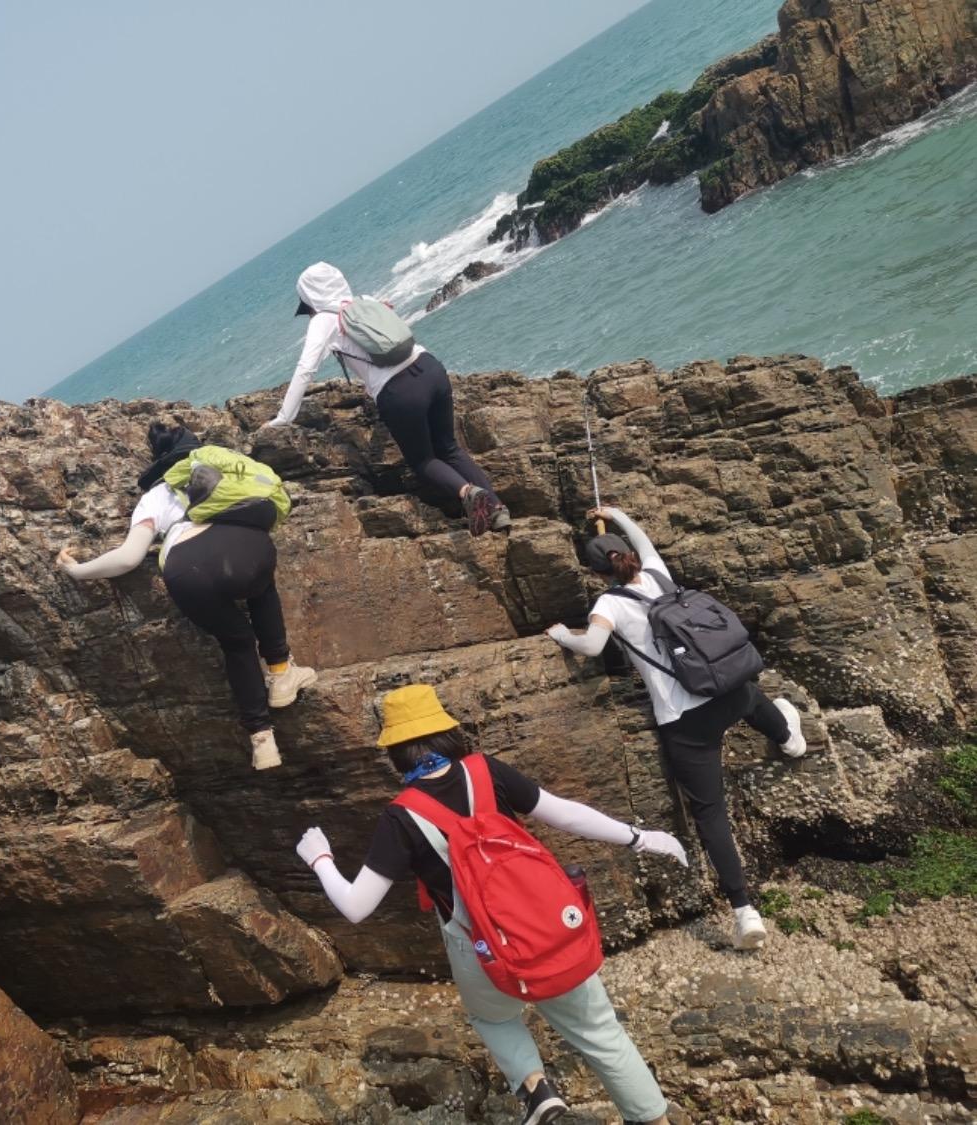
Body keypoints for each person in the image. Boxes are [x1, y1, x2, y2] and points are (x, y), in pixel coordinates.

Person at [297, 684, 684, 1125]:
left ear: (395, 753)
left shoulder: (401, 816)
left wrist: (320, 860)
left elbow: (356, 906)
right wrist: (638, 837)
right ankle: (653, 1119)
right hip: (545, 928)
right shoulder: (487, 771)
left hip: (477, 946)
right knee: (600, 1033)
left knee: (495, 1020)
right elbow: (566, 814)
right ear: (447, 731)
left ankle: (538, 1091)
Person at [546, 505, 807, 950]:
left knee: (710, 814)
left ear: (595, 572)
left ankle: (744, 912)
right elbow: (643, 539)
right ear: (627, 554)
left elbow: (591, 646)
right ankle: (788, 738)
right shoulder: (658, 574)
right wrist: (615, 513)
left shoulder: (609, 603)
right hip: (728, 690)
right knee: (753, 697)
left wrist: (561, 636)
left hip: (686, 722)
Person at [55, 422, 316, 770]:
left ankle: (262, 739)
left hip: (185, 570)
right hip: (243, 548)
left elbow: (129, 558)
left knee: (236, 641)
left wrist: (77, 571)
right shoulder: (222, 471)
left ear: (158, 464)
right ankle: (281, 674)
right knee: (261, 587)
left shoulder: (152, 498)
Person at [259, 261, 508, 535]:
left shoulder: (323, 320)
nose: (309, 313)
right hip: (430, 368)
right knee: (449, 448)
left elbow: (305, 369)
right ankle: (497, 510)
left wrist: (283, 418)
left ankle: (468, 493)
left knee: (423, 461)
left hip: (401, 393)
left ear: (311, 299)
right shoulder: (364, 301)